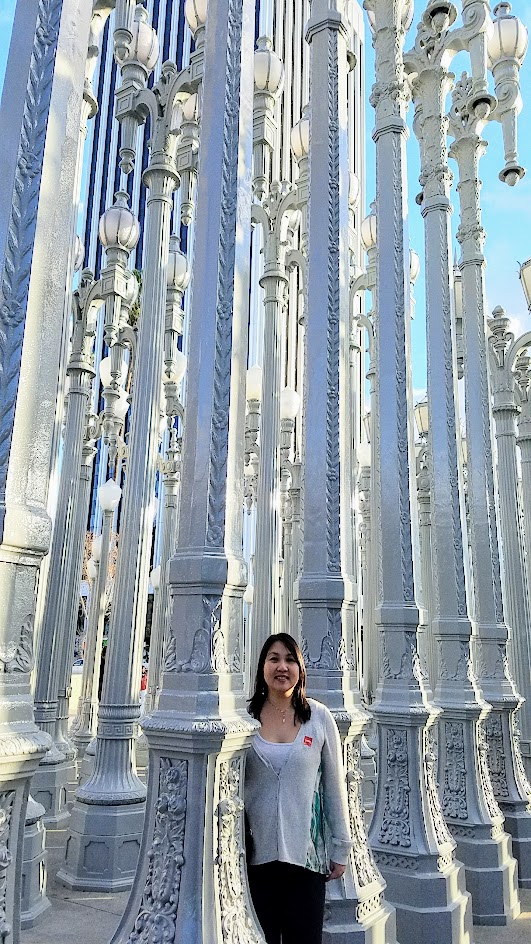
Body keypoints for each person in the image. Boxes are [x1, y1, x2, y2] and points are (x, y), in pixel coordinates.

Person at [245, 632, 352, 944]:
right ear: (262, 667)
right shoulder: (245, 717)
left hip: (307, 857)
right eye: (274, 659)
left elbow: (334, 785)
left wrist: (340, 845)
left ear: (300, 669)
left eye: (290, 659)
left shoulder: (318, 718)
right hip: (255, 857)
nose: (282, 667)